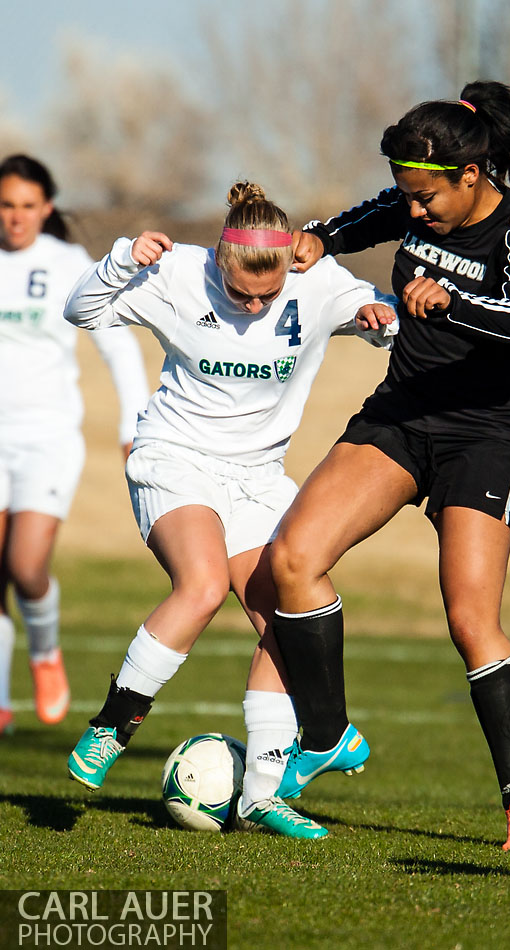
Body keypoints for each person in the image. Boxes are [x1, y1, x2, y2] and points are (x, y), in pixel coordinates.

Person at [269, 81, 510, 852]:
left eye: (425, 197)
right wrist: (321, 236)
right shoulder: (415, 198)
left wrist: (449, 303)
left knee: (469, 618)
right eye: (407, 195)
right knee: (292, 560)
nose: (414, 211)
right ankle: (325, 735)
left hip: (485, 434)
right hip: (400, 414)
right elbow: (372, 214)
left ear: (470, 176)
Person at [63, 181, 397, 838]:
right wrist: (122, 259)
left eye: (264, 296)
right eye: (239, 291)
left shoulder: (314, 278)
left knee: (282, 619)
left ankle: (261, 796)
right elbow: (83, 310)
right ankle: (111, 727)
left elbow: (378, 312)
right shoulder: (177, 272)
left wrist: (377, 322)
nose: (251, 305)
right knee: (204, 584)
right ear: (218, 258)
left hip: (257, 477)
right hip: (174, 457)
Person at [0, 154, 149, 734]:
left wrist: (131, 427)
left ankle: (44, 651)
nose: (16, 218)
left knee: (25, 565)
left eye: (27, 206)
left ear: (47, 207)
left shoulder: (66, 263)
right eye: (6, 205)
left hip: (47, 437)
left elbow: (116, 343)